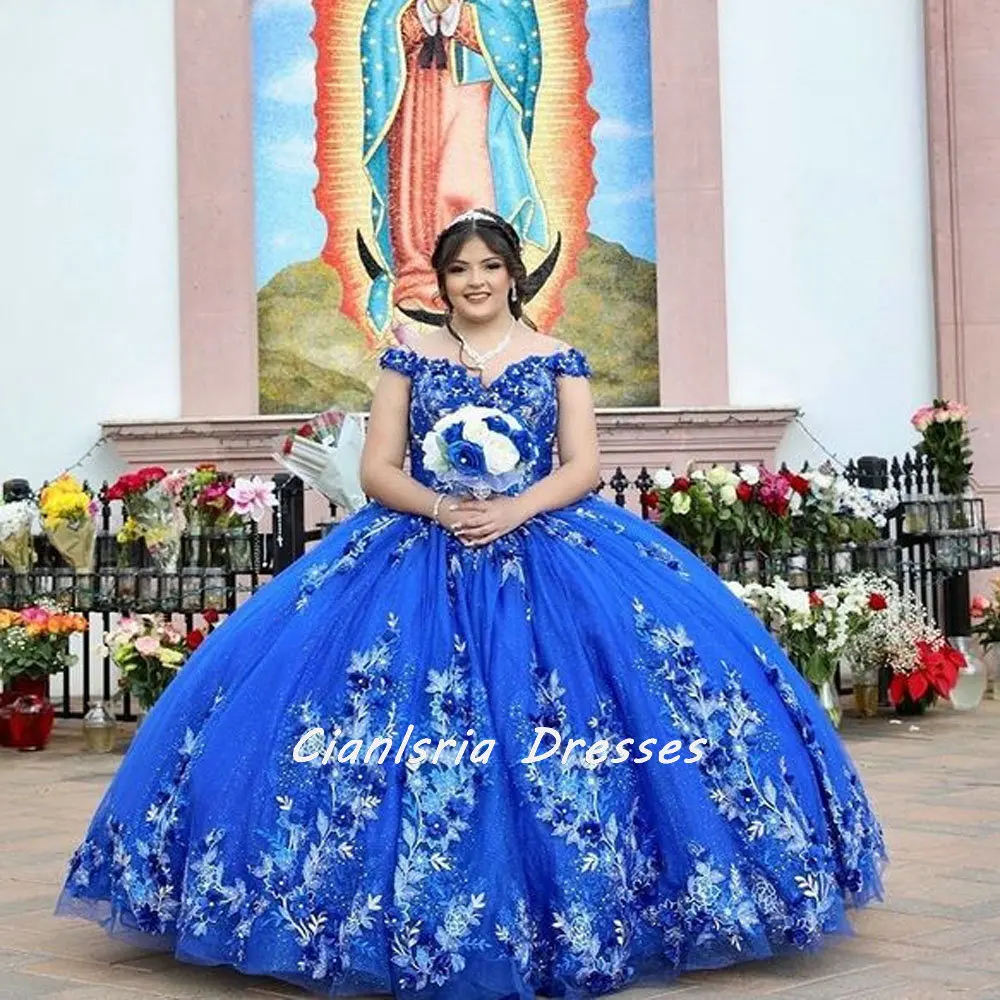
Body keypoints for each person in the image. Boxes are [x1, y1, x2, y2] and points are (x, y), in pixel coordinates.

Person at [58, 208, 886, 999]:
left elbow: (583, 466)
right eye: (460, 269)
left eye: (490, 266)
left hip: (546, 544)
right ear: (442, 281)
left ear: (515, 275)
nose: (476, 281)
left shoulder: (559, 357)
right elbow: (380, 468)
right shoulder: (408, 357)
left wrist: (515, 509)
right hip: (419, 547)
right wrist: (447, 508)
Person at [360, 0, 549, 330]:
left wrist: (457, 14)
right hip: (415, 96)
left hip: (474, 94)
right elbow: (379, 26)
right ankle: (419, 277)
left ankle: (485, 281)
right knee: (416, 190)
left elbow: (514, 32)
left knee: (465, 183)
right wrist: (420, 13)